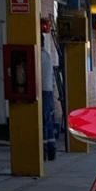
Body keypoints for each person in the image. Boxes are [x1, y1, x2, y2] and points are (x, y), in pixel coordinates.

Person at [40, 18, 57, 162]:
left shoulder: (37, 56)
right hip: (49, 91)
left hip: (42, 92)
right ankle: (51, 151)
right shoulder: (46, 55)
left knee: (43, 122)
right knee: (49, 121)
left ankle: (43, 152)